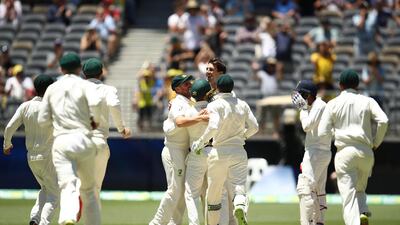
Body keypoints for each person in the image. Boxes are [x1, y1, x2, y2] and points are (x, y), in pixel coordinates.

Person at [38, 52, 102, 225]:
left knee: (67, 185)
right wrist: (94, 121)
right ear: (79, 68)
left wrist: (58, 122)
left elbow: (42, 120)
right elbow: (96, 106)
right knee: (88, 190)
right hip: (84, 139)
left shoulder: (52, 88)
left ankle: (67, 217)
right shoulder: (85, 85)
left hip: (62, 141)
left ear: (61, 68)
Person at [318, 69, 388, 225]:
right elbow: (383, 121)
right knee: (360, 190)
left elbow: (323, 132)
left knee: (348, 197)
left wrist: (335, 133)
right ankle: (362, 212)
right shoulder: (367, 101)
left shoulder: (333, 103)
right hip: (366, 152)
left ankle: (356, 220)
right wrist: (376, 142)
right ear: (357, 85)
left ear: (340, 85)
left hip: (345, 152)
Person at [192, 74, 259, 225]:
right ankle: (240, 205)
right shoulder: (242, 104)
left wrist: (200, 142)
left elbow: (213, 127)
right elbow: (255, 127)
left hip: (219, 152)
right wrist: (243, 136)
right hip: (238, 151)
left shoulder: (215, 105)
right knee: (239, 187)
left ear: (218, 89)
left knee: (214, 193)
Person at [149, 74, 206, 225]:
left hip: (184, 151)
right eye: (186, 84)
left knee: (181, 192)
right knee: (175, 190)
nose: (189, 85)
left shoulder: (189, 102)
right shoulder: (177, 103)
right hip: (173, 151)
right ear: (178, 88)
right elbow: (180, 122)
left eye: (189, 82)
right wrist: (199, 118)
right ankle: (156, 223)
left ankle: (174, 223)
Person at [3, 74, 58, 225]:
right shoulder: (53, 108)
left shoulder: (25, 106)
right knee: (54, 194)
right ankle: (43, 223)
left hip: (31, 158)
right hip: (48, 157)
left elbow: (9, 127)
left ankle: (34, 218)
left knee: (45, 189)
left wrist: (7, 144)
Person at [82, 58, 131, 207]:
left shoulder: (75, 89)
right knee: (95, 189)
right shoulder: (108, 89)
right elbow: (114, 104)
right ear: (101, 72)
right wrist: (121, 128)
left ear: (84, 73)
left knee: (74, 185)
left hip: (78, 141)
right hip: (98, 142)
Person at [291, 80, 332, 225]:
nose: (299, 99)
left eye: (301, 95)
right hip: (318, 152)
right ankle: (318, 221)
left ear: (307, 95)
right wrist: (305, 109)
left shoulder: (319, 105)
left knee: (305, 187)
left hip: (316, 152)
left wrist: (302, 109)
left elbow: (307, 126)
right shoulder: (315, 106)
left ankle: (306, 222)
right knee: (316, 189)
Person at [182, 79, 211, 225]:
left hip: (196, 154)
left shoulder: (188, 111)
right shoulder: (215, 109)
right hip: (213, 154)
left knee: (191, 194)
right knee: (211, 194)